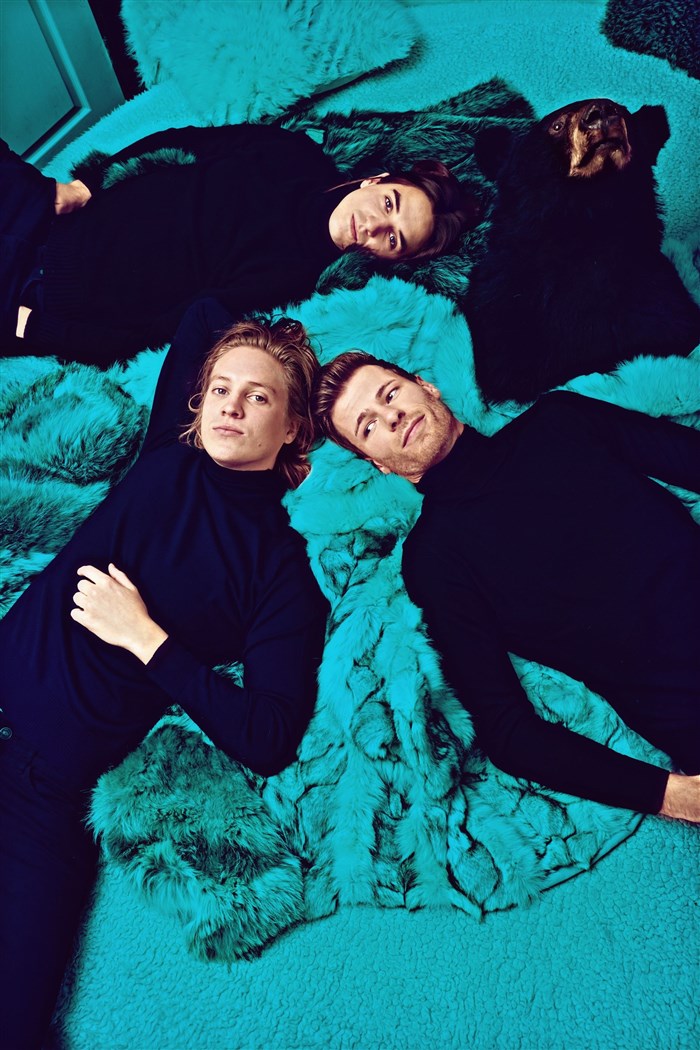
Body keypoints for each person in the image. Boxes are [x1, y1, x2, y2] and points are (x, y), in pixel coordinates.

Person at [0, 298, 329, 1049]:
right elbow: (205, 310)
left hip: (43, 790)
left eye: (259, 398)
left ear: (293, 428)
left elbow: (269, 735)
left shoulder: (280, 569)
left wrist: (146, 639)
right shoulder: (166, 458)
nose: (231, 407)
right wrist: (270, 339)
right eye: (220, 389)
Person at [312, 351, 700, 823]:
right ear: (379, 465)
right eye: (368, 426)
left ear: (425, 386)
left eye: (390, 394)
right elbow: (508, 732)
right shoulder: (433, 560)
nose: (390, 416)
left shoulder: (561, 421)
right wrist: (671, 795)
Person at [0, 126, 477, 365]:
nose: (373, 225)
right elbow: (185, 141)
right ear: (376, 180)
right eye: (389, 203)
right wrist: (86, 184)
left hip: (42, 295)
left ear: (395, 260)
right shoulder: (294, 153)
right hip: (52, 213)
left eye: (393, 238)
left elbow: (161, 334)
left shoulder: (297, 284)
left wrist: (40, 330)